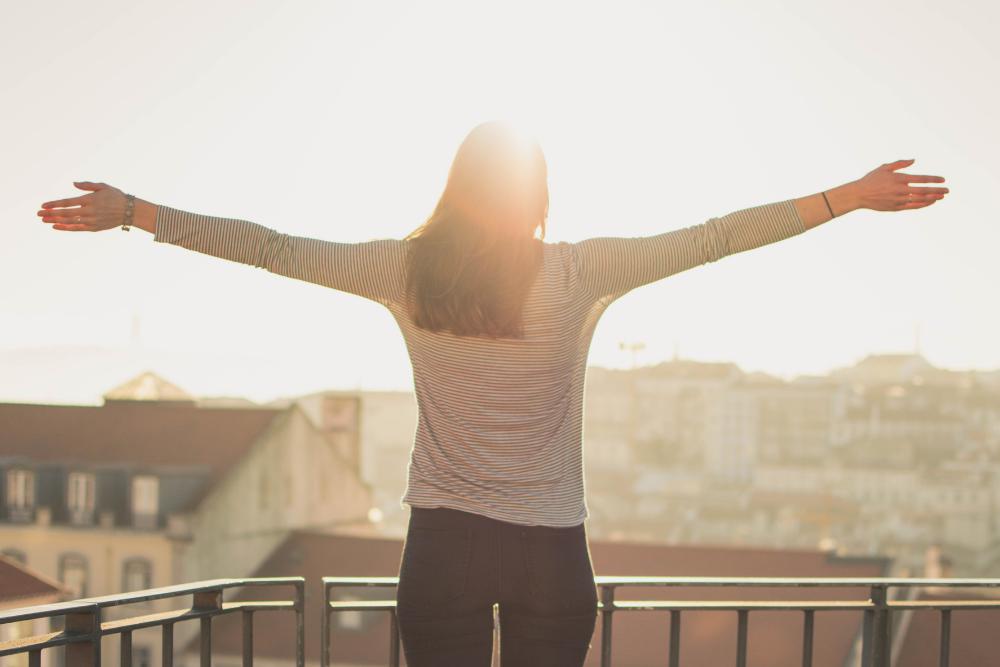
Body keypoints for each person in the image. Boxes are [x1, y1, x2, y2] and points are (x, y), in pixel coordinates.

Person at [36, 121, 948, 666]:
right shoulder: (581, 270)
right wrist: (849, 195)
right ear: (539, 194)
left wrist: (136, 213)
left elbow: (270, 245)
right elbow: (714, 237)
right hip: (552, 555)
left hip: (443, 548)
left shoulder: (403, 269)